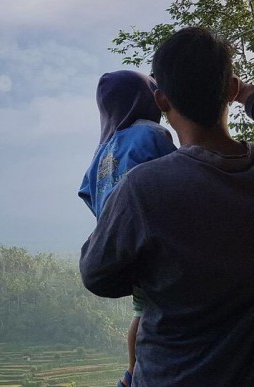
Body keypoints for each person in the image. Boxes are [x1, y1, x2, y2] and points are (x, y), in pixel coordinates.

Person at [79, 27, 254, 386]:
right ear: (227, 89)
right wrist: (248, 94)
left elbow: (97, 275)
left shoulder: (143, 188)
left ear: (162, 101)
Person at [78, 70, 176, 387]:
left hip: (120, 245)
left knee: (141, 311)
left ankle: (131, 373)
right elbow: (179, 171)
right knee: (157, 312)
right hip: (154, 240)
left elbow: (88, 193)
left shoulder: (103, 149)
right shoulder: (151, 134)